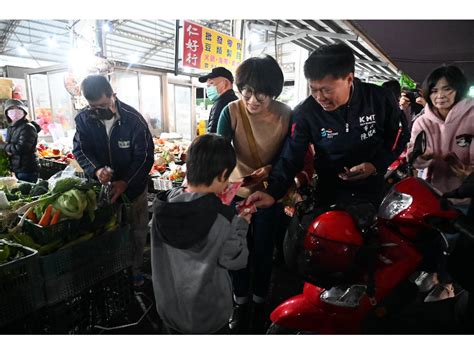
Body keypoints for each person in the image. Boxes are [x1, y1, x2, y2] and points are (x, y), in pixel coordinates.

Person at [247, 43, 408, 211]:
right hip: (328, 191)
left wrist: (376, 164)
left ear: (349, 79)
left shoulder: (379, 99)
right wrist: (273, 192)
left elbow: (400, 135)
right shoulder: (305, 112)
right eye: (313, 89)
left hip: (373, 187)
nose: (319, 97)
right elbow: (292, 154)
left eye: (326, 90)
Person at [217, 54, 291, 333]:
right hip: (236, 194)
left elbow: (290, 155)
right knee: (236, 251)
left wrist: (272, 168)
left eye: (261, 93)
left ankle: (260, 302)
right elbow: (221, 152)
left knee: (263, 250)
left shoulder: (286, 114)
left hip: (269, 194)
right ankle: (240, 301)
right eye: (246, 91)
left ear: (274, 91)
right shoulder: (231, 111)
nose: (252, 100)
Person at [150, 134, 251, 334]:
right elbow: (236, 260)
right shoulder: (222, 217)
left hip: (170, 311)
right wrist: (242, 225)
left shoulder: (162, 207)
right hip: (208, 316)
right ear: (223, 175)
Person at [72, 75, 154, 287]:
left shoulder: (133, 120)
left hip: (133, 188)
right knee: (110, 230)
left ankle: (135, 270)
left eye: (103, 105)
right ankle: (114, 271)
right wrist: (96, 169)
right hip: (105, 188)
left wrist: (126, 182)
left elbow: (144, 157)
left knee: (137, 230)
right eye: (92, 106)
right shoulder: (84, 119)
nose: (97, 110)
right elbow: (81, 149)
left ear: (112, 95)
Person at [408, 65, 474, 302]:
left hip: (464, 197)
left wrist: (468, 173)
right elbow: (412, 157)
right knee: (431, 239)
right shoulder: (421, 122)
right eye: (434, 90)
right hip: (432, 195)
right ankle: (435, 275)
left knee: (457, 245)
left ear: (459, 90)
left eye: (447, 89)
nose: (440, 95)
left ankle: (450, 285)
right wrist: (421, 159)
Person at [0, 99, 40, 182]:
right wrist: (8, 150)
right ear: (7, 113)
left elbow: (21, 148)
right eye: (11, 109)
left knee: (27, 192)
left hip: (27, 168)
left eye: (18, 109)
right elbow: (11, 146)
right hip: (18, 168)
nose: (14, 112)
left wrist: (3, 145)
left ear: (24, 112)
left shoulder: (28, 127)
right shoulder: (12, 127)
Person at [199, 67, 238, 133]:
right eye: (207, 86)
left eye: (211, 84)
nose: (208, 89)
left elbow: (213, 134)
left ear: (225, 84)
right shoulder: (235, 100)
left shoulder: (221, 103)